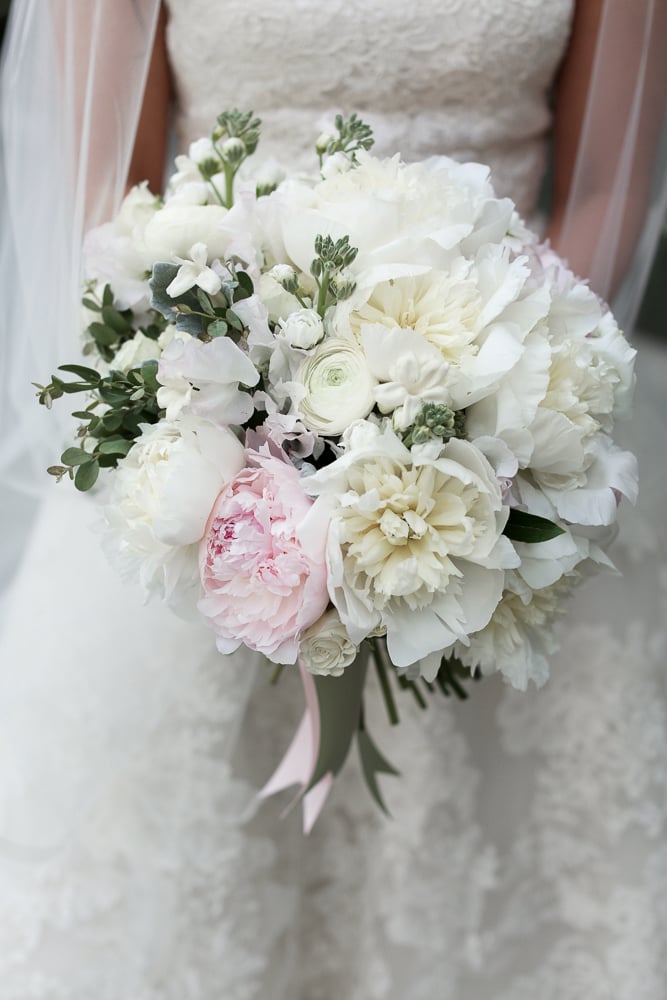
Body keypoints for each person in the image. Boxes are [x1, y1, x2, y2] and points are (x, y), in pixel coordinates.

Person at [0, 1, 666, 997]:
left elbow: (607, 185)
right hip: (212, 427)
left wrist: (478, 413)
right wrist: (251, 422)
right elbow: (113, 196)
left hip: (496, 443)